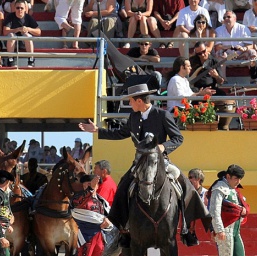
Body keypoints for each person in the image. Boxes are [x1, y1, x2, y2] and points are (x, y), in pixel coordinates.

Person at [78, 83, 210, 246]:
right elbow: (122, 133)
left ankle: (186, 230)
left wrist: (164, 147)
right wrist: (98, 130)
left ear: (139, 101)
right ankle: (123, 230)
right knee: (123, 187)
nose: (130, 104)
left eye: (131, 101)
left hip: (160, 162)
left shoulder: (162, 115)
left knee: (184, 185)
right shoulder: (134, 116)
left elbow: (178, 138)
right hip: (140, 163)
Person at [208, 164, 248, 256]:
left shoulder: (232, 189)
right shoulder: (219, 188)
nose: (238, 182)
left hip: (235, 230)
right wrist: (219, 230)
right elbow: (214, 211)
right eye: (236, 178)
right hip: (224, 230)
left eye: (240, 179)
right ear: (228, 176)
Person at [4, 0, 41, 66]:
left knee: (27, 35)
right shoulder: (10, 17)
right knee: (11, 35)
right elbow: (5, 31)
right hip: (12, 42)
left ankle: (31, 60)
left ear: (25, 9)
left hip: (24, 43)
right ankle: (11, 60)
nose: (19, 10)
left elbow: (39, 32)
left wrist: (28, 29)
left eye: (22, 8)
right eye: (17, 8)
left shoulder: (28, 17)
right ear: (14, 8)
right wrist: (18, 29)